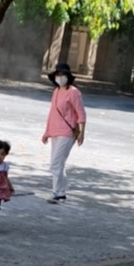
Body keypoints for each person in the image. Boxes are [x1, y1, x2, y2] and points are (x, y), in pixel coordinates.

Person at [41, 60, 86, 203]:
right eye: (58, 74)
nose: (60, 77)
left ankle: (55, 192)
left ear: (68, 76)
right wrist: (46, 132)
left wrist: (82, 132)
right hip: (55, 130)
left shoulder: (73, 92)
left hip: (67, 132)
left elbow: (81, 114)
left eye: (62, 74)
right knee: (59, 163)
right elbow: (52, 113)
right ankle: (61, 192)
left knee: (55, 163)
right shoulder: (56, 91)